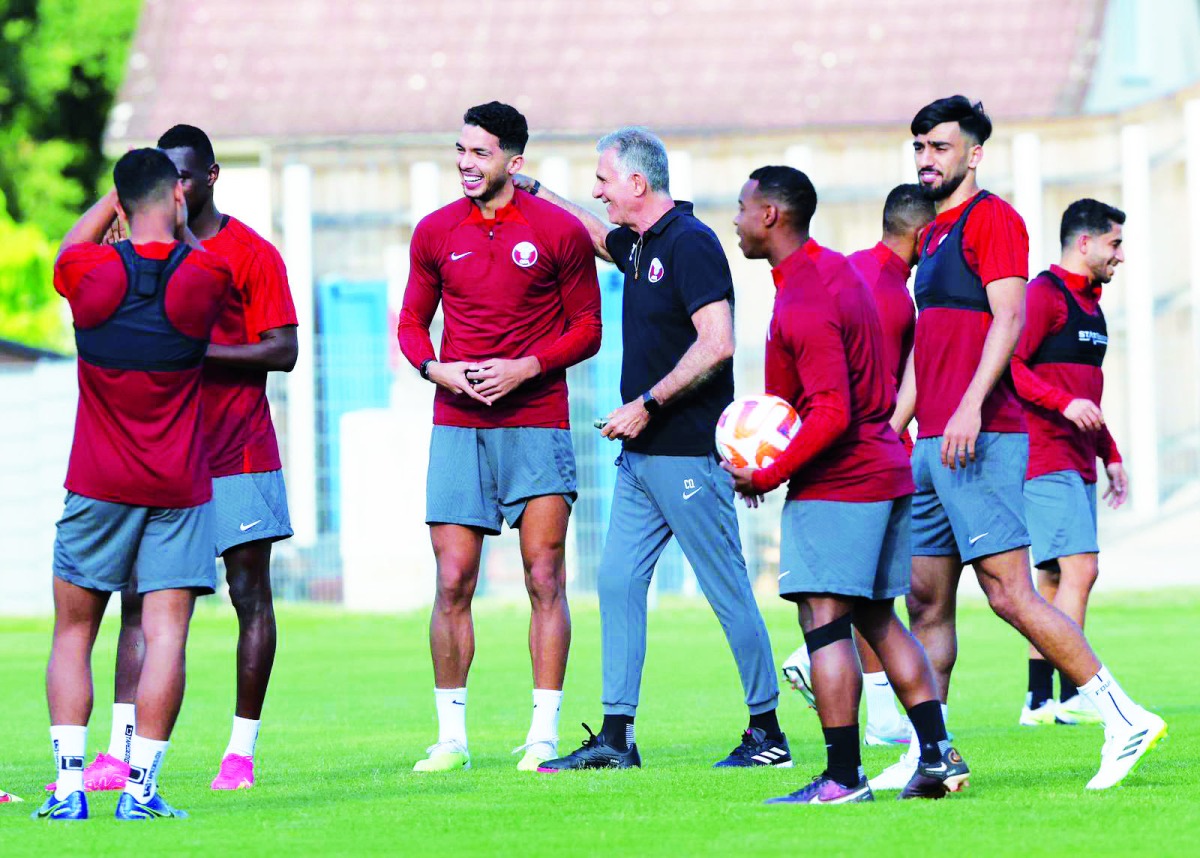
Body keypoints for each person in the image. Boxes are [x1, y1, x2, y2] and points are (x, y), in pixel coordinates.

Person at [872, 96, 1164, 792]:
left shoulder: (993, 219)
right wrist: (894, 426)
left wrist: (972, 404)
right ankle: (931, 754)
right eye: (919, 148)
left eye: (939, 147)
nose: (926, 159)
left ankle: (1123, 718)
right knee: (926, 603)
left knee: (1008, 593)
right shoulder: (934, 234)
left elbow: (1009, 318)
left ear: (973, 154)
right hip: (930, 442)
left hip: (982, 436)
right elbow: (927, 347)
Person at [522, 127, 786, 772]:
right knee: (616, 581)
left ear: (637, 184)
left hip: (687, 452)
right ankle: (617, 737)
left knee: (726, 589)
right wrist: (529, 188)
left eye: (605, 179)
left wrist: (647, 404)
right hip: (641, 460)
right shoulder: (638, 245)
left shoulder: (691, 245)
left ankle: (768, 733)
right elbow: (589, 230)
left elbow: (717, 341)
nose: (598, 190)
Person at [58, 125, 300, 794]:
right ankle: (119, 749)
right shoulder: (137, 252)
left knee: (250, 596)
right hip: (167, 459)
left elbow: (282, 351)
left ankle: (239, 753)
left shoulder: (249, 254)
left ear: (211, 177)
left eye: (189, 177)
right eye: (169, 177)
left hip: (239, 450)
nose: (179, 189)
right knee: (140, 603)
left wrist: (191, 353)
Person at [727, 166, 966, 803]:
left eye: (743, 207)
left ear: (771, 215)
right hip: (884, 469)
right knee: (880, 620)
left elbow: (829, 407)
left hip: (842, 481)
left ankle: (842, 777)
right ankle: (937, 755)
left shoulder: (805, 296)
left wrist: (770, 470)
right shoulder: (839, 272)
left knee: (825, 623)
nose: (737, 219)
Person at [398, 102, 602, 772]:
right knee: (452, 578)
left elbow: (587, 329)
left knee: (545, 575)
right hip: (458, 424)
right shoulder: (434, 232)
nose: (465, 163)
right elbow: (409, 325)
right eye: (460, 150)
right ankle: (451, 738)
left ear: (514, 162)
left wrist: (527, 367)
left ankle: (542, 733)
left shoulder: (558, 232)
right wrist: (438, 369)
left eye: (480, 153)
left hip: (536, 419)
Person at [35, 149, 232, 820]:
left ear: (118, 204)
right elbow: (200, 254)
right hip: (178, 486)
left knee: (72, 633)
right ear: (178, 198)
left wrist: (112, 204)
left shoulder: (87, 273)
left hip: (96, 483)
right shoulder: (205, 274)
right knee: (166, 634)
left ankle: (67, 794)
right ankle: (140, 793)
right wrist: (175, 222)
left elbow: (70, 247)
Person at [781, 185, 935, 747]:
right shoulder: (891, 293)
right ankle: (887, 739)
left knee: (869, 610)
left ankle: (881, 736)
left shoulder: (852, 271)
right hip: (861, 464)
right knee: (868, 611)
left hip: (856, 461)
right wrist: (887, 435)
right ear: (924, 236)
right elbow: (851, 390)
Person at [1011, 199, 1128, 726]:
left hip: (1079, 459)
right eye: (1114, 244)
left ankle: (1039, 700)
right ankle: (1077, 691)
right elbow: (1009, 365)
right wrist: (1062, 404)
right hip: (1044, 455)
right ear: (1085, 243)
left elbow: (1088, 393)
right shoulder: (1044, 295)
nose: (1120, 255)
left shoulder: (1092, 305)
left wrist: (1112, 455)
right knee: (1083, 567)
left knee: (1057, 579)